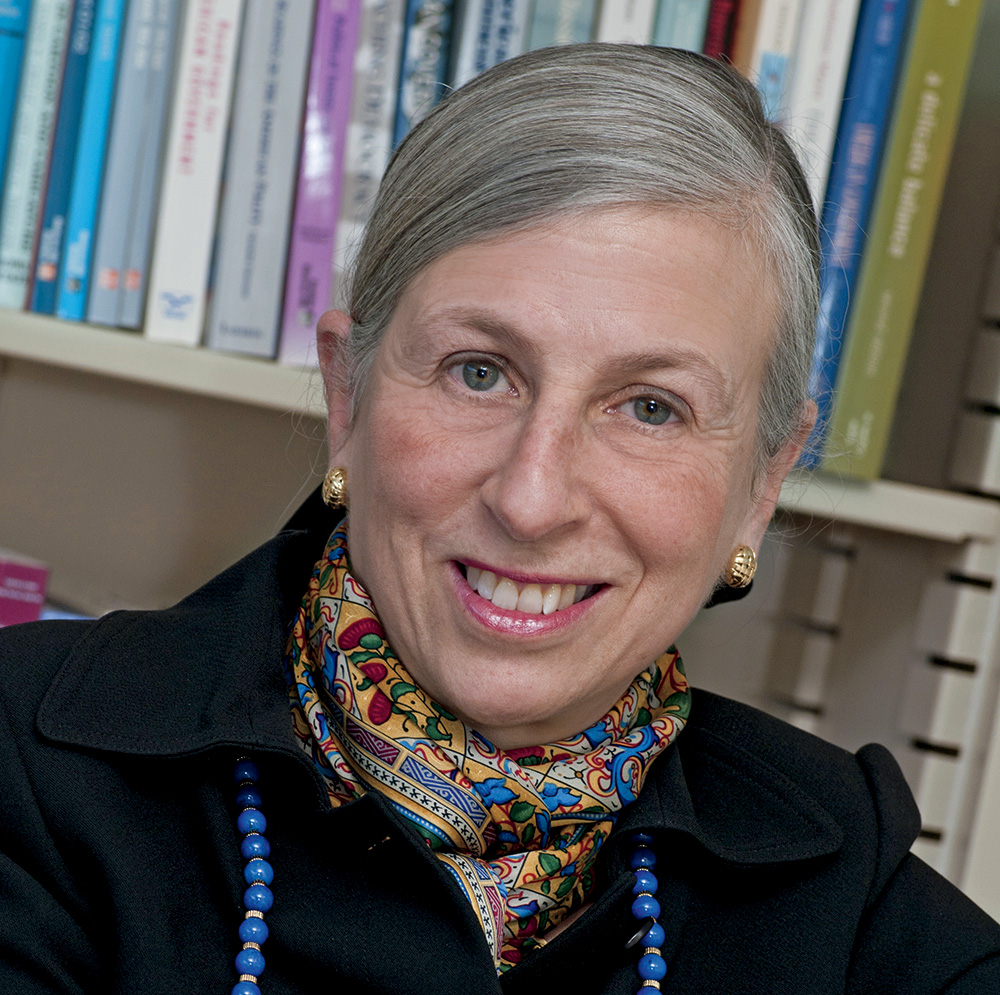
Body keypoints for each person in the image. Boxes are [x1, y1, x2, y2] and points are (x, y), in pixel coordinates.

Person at [1, 43, 998, 995]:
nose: (531, 498)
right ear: (346, 397)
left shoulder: (839, 874)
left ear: (763, 481)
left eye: (650, 406)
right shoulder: (29, 763)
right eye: (478, 371)